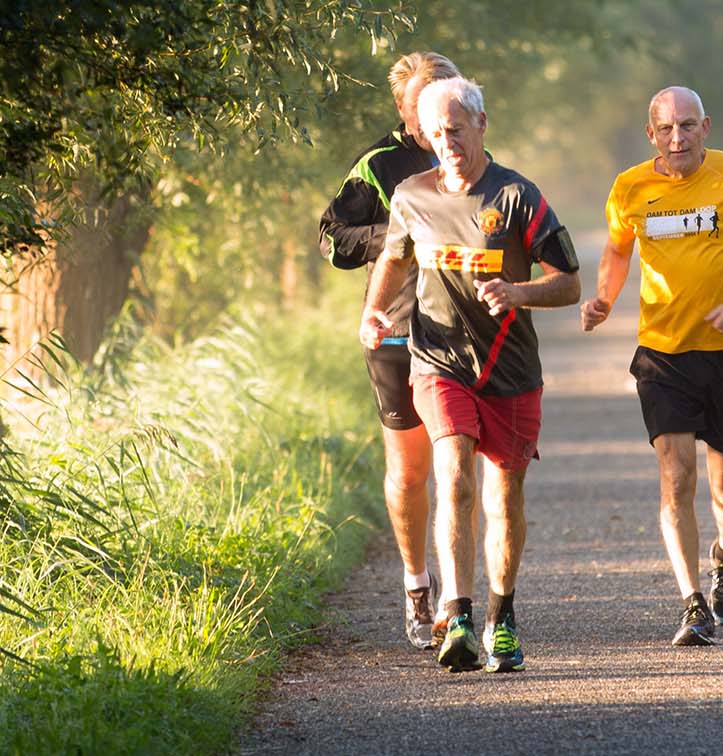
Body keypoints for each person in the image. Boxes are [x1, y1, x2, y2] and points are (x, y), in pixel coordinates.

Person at [360, 77, 580, 672]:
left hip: (509, 370)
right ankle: (455, 614)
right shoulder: (410, 195)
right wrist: (373, 312)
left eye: (457, 129)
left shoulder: (518, 197)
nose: (448, 141)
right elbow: (395, 256)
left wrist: (517, 291)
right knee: (453, 472)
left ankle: (500, 618)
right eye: (437, 132)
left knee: (503, 499)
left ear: (483, 124)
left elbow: (569, 283)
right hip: (439, 361)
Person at [581, 86, 723, 646]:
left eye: (688, 125)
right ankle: (691, 602)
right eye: (667, 128)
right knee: (676, 476)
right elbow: (618, 251)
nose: (678, 137)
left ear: (706, 127)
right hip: (663, 354)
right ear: (651, 135)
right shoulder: (629, 187)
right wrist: (603, 299)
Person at [318, 51, 461, 651]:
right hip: (399, 330)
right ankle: (416, 584)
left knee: (457, 467)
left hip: (460, 331)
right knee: (410, 471)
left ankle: (460, 601)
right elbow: (334, 238)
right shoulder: (379, 164)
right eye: (423, 101)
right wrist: (399, 235)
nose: (436, 113)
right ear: (403, 107)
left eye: (446, 97)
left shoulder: (468, 153)